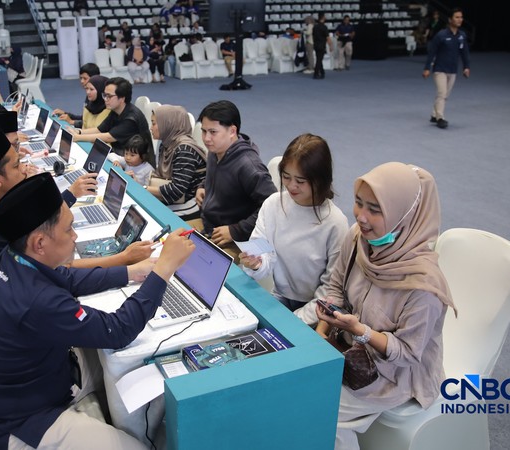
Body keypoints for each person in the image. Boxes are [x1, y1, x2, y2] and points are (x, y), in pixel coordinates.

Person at [0, 172, 195, 449]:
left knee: (118, 368)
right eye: (69, 229)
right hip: (16, 423)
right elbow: (118, 330)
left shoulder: (14, 258)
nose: (75, 236)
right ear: (39, 243)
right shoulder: (37, 301)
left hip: (18, 389)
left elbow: (67, 277)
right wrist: (164, 269)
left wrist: (130, 272)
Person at [0, 127, 153, 363]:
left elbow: (61, 271)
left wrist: (127, 270)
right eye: (17, 165)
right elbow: (113, 328)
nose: (24, 169)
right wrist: (127, 260)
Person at [295, 162, 454, 450]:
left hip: (394, 375)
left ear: (403, 215)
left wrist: (361, 331)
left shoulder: (423, 286)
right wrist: (322, 332)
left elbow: (408, 354)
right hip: (347, 350)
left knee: (317, 411)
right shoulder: (358, 238)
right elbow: (335, 288)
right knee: (293, 386)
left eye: (375, 209)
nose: (361, 216)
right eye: (358, 202)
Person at [239, 134, 348, 312]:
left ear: (320, 180)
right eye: (286, 177)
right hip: (280, 297)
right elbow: (262, 252)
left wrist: (296, 320)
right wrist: (256, 264)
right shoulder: (273, 204)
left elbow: (330, 289)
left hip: (317, 308)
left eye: (300, 181)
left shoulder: (335, 223)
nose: (291, 186)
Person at [194, 100, 277, 259]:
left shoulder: (249, 166)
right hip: (209, 225)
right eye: (204, 131)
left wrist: (235, 230)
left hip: (235, 240)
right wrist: (202, 186)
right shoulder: (215, 150)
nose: (206, 138)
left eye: (213, 132)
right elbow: (218, 173)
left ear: (232, 131)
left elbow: (273, 207)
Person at [72, 77, 155, 167]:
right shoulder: (116, 110)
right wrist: (79, 132)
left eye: (109, 96)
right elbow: (100, 129)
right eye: (104, 95)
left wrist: (78, 137)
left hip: (139, 166)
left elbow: (108, 137)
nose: (105, 99)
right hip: (122, 156)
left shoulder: (131, 119)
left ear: (122, 98)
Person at [146, 104, 207, 220]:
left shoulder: (184, 150)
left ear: (167, 124)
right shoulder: (166, 144)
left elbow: (177, 190)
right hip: (177, 198)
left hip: (192, 201)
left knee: (153, 217)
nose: (151, 128)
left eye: (154, 123)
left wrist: (145, 188)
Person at [423, 8, 470, 130]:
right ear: (450, 19)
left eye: (461, 17)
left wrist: (466, 67)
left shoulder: (462, 36)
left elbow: (464, 53)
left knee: (445, 95)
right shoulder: (441, 35)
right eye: (457, 17)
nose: (460, 19)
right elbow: (432, 52)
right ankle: (440, 118)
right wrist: (427, 68)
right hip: (440, 69)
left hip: (452, 70)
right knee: (442, 93)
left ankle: (434, 114)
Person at [313, 13, 332, 79]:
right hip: (321, 45)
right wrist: (330, 45)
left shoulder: (315, 27)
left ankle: (322, 72)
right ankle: (316, 73)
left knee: (319, 59)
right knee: (319, 60)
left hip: (316, 44)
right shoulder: (324, 27)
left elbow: (313, 36)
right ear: (323, 17)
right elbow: (328, 38)